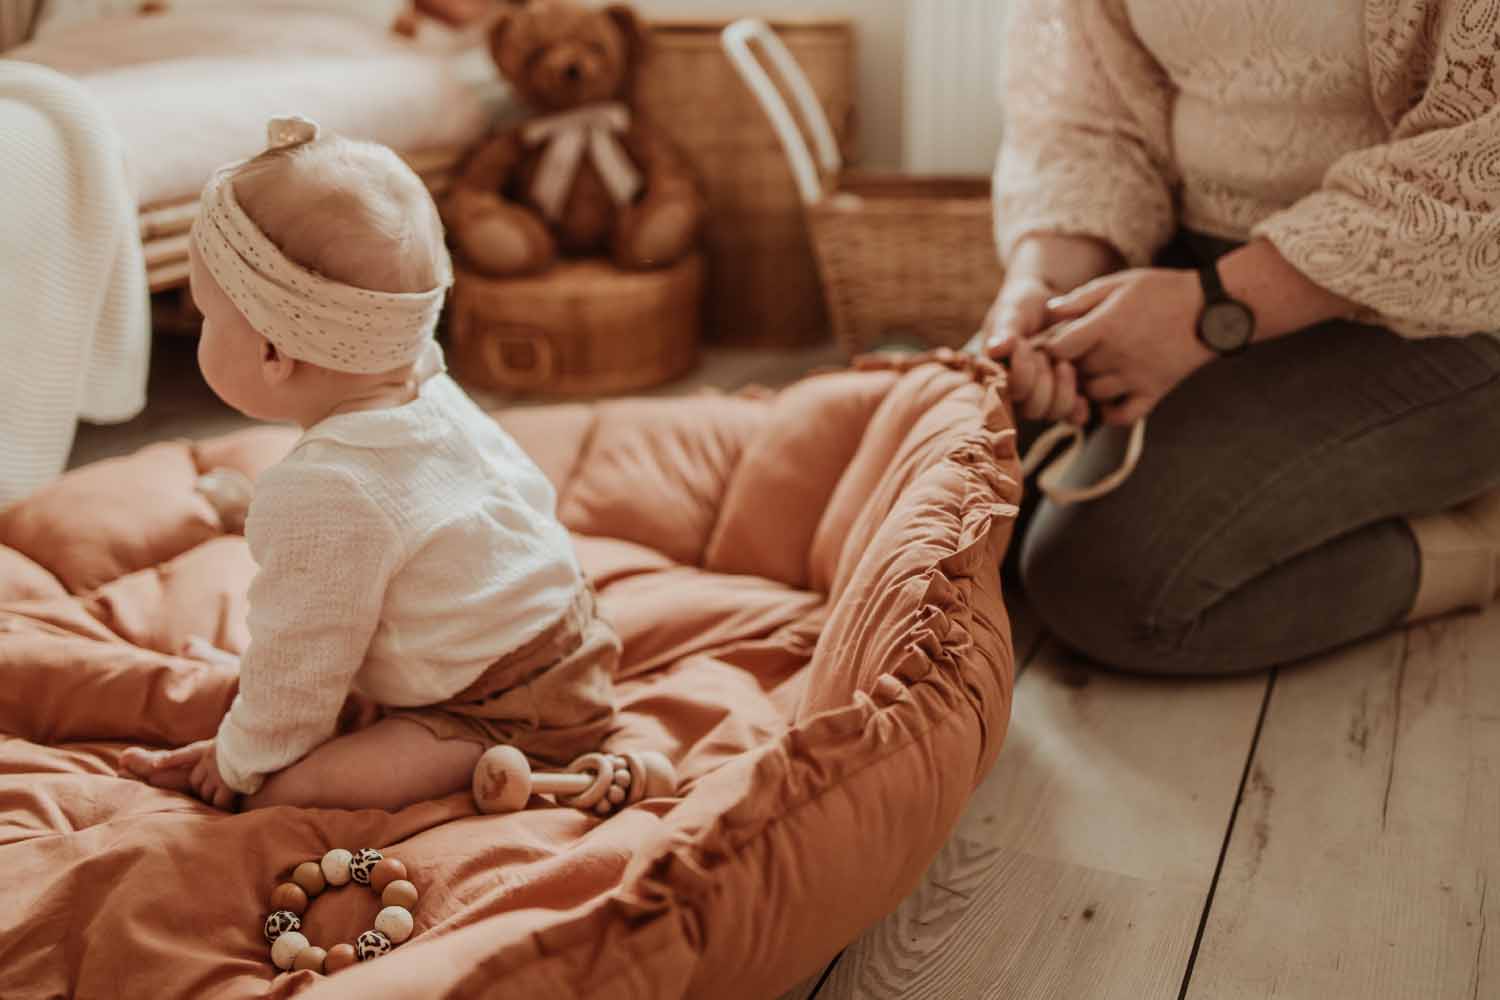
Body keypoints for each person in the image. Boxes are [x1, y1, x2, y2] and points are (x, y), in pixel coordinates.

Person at [976, 0, 1500, 674]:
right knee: (944, 482)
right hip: (1190, 267)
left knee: (1104, 581)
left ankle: (1479, 543)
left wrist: (1212, 312)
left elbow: (1482, 166)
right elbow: (1089, 117)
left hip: (1437, 308)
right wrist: (1044, 285)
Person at [119, 117, 618, 811]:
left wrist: (240, 758)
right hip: (571, 632)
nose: (200, 327)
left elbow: (301, 666)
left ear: (273, 353)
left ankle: (499, 750)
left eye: (206, 315)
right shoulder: (426, 380)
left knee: (293, 793)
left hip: (497, 709)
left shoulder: (328, 491)